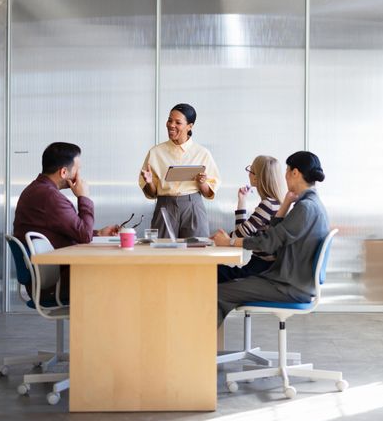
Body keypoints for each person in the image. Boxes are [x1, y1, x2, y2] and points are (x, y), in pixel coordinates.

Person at [212, 151, 329, 326]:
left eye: (287, 171)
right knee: (222, 286)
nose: (285, 176)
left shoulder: (305, 208)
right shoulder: (312, 204)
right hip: (291, 282)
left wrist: (228, 242)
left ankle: (197, 351)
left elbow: (268, 243)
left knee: (216, 292)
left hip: (288, 287)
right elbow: (275, 237)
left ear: (295, 173)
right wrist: (285, 205)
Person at [13, 142, 119, 301]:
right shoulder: (50, 197)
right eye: (78, 169)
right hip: (53, 284)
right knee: (118, 278)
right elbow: (84, 235)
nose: (80, 175)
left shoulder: (36, 190)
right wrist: (84, 197)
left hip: (46, 278)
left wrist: (98, 233)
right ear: (63, 172)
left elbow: (65, 231)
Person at [139, 103, 221, 239]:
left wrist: (202, 183)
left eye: (178, 122)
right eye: (170, 120)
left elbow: (208, 193)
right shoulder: (155, 153)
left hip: (193, 207)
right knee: (162, 253)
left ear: (190, 126)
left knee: (196, 253)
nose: (171, 125)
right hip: (164, 205)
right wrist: (149, 182)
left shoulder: (202, 153)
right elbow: (151, 193)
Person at [216, 155, 286, 283]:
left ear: (256, 176)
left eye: (250, 170)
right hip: (260, 266)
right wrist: (242, 201)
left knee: (213, 271)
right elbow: (242, 234)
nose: (248, 174)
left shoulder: (268, 205)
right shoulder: (275, 203)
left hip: (262, 268)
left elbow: (238, 236)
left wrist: (223, 239)